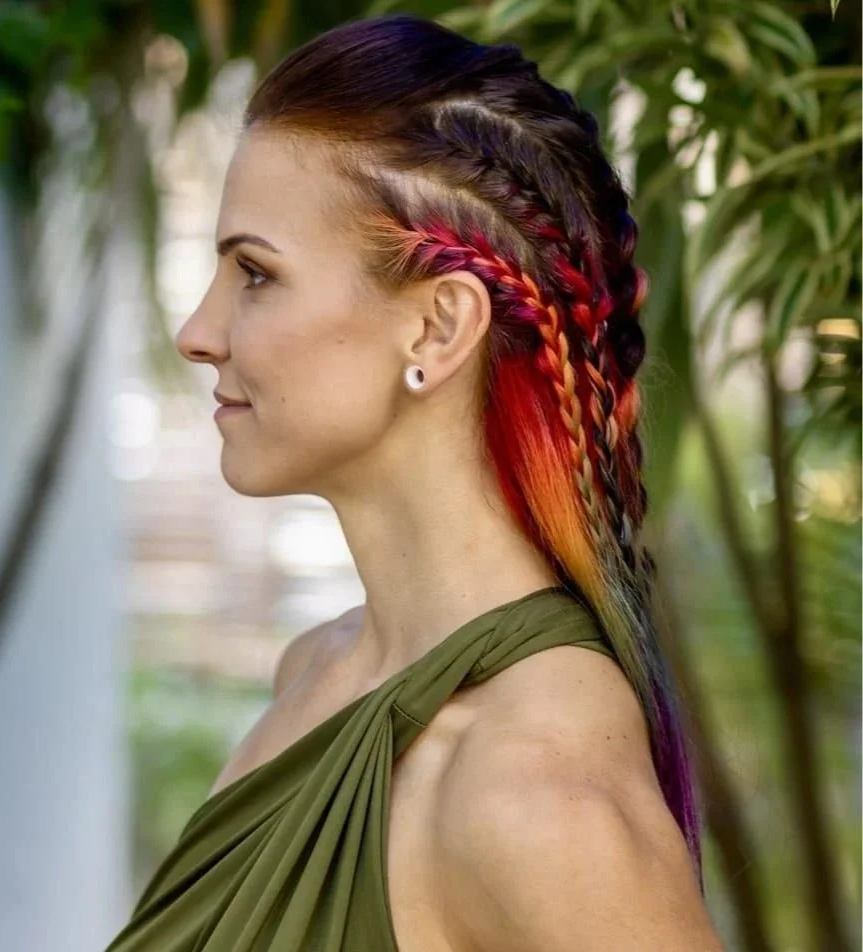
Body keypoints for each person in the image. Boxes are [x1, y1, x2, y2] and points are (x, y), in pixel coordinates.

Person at [105, 13, 725, 952]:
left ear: (438, 328)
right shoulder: (315, 671)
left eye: (255, 274)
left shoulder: (532, 795)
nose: (198, 329)